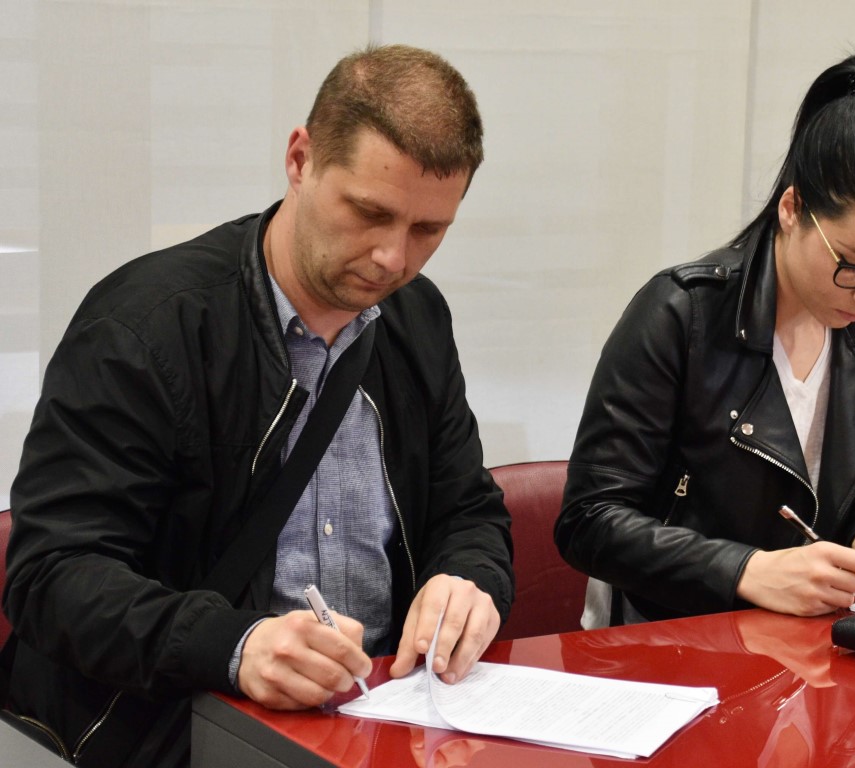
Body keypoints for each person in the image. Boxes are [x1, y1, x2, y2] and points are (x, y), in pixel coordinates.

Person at [1, 44, 513, 767]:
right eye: (369, 212)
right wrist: (236, 647)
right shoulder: (149, 327)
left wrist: (468, 581)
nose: (393, 259)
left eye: (428, 230)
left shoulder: (416, 318)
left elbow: (468, 510)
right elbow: (52, 576)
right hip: (178, 725)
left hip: (377, 722)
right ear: (300, 159)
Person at [555, 54, 855, 627]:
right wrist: (746, 571)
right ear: (792, 208)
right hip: (669, 640)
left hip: (802, 642)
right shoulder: (681, 314)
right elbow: (589, 521)